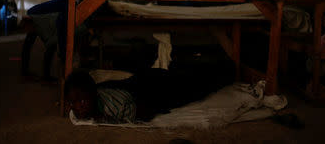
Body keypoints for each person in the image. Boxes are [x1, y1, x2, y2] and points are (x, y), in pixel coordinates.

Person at [65, 50, 236, 124]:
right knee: (183, 78)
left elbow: (141, 113)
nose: (77, 108)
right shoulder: (92, 96)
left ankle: (229, 70)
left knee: (194, 87)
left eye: (80, 101)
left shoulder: (113, 104)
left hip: (152, 90)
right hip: (141, 82)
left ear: (93, 95)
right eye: (72, 103)